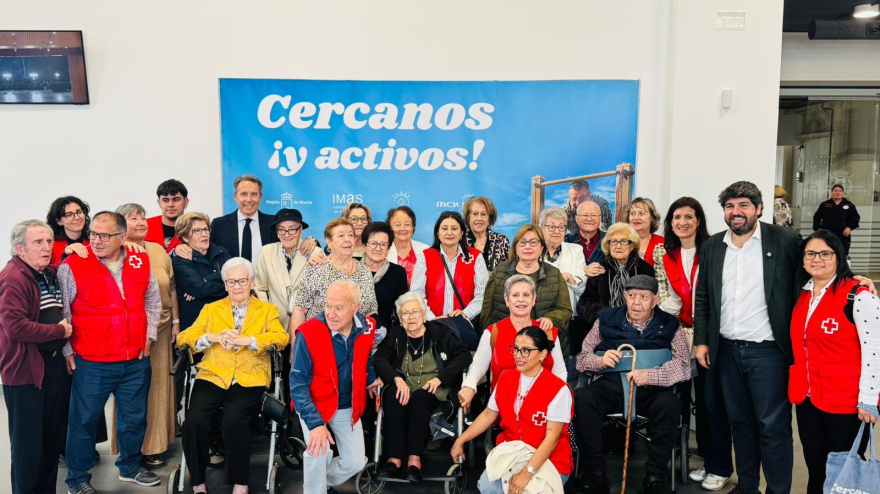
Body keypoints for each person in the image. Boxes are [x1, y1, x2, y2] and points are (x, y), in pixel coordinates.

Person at [692, 181, 804, 494]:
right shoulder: (713, 245)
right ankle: (748, 486)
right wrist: (702, 340)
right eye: (730, 206)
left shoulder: (785, 240)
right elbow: (703, 297)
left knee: (773, 427)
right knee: (739, 424)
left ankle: (778, 490)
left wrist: (852, 279)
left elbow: (817, 267)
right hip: (726, 351)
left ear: (759, 208)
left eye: (743, 205)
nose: (736, 212)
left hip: (769, 353)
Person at [58, 211, 162, 493]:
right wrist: (67, 349)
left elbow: (153, 300)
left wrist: (150, 335)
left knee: (134, 418)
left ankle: (130, 466)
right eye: (93, 234)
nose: (96, 240)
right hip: (93, 362)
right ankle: (77, 479)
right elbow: (64, 311)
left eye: (104, 235)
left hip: (135, 360)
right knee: (84, 422)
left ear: (122, 236)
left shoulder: (140, 261)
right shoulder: (73, 265)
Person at [177, 257, 289, 494]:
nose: (237, 286)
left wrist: (247, 340)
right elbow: (184, 337)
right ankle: (198, 483)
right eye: (231, 282)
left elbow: (281, 338)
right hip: (213, 375)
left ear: (251, 282)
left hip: (250, 377)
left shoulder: (267, 310)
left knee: (234, 420)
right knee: (193, 422)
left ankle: (240, 483)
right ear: (225, 284)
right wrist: (212, 337)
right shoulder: (211, 309)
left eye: (242, 281)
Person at [574, 275, 690, 494]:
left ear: (655, 300)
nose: (637, 303)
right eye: (631, 296)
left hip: (652, 389)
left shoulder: (670, 324)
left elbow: (684, 366)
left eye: (644, 297)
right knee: (584, 398)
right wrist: (599, 361)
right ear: (624, 296)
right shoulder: (605, 319)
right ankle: (594, 473)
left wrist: (651, 376)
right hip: (612, 385)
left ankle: (655, 477)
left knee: (670, 404)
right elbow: (582, 359)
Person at [789, 229, 880, 494]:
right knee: (816, 467)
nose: (817, 259)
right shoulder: (802, 294)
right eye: (810, 254)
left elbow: (875, 350)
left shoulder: (859, 296)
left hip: (846, 403)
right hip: (809, 399)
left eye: (825, 253)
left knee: (843, 474)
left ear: (838, 256)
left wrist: (869, 400)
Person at [657, 197, 733, 491]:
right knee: (679, 398)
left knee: (710, 402)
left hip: (708, 336)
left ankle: (719, 464)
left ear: (698, 220)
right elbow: (668, 295)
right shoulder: (665, 252)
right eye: (677, 217)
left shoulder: (713, 249)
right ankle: (705, 462)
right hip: (679, 333)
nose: (682, 222)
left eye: (689, 217)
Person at [451, 326, 573, 494]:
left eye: (525, 351)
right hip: (512, 453)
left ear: (543, 354)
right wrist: (460, 440)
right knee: (487, 487)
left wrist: (526, 473)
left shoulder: (559, 389)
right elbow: (488, 415)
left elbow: (551, 439)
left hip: (550, 460)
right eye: (515, 349)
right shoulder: (506, 377)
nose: (518, 356)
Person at [0, 220, 73, 494]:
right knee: (28, 448)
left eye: (49, 241)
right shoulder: (13, 278)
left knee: (50, 443)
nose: (46, 247)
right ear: (20, 248)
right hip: (26, 374)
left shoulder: (46, 273)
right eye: (38, 242)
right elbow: (15, 326)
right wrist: (59, 330)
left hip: (52, 368)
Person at [290, 280, 382, 494]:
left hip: (347, 404)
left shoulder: (367, 327)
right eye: (327, 306)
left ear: (356, 308)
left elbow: (365, 356)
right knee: (318, 452)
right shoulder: (308, 333)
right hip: (315, 403)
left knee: (356, 462)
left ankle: (319, 480)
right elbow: (298, 384)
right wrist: (315, 424)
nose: (331, 314)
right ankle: (315, 489)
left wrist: (371, 378)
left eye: (338, 308)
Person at [372, 292, 472, 480]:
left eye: (415, 312)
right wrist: (395, 378)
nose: (411, 317)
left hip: (434, 388)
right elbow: (379, 358)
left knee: (419, 398)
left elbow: (464, 356)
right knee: (394, 394)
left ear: (424, 314)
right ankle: (394, 459)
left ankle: (414, 460)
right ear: (400, 319)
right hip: (404, 385)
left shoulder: (439, 332)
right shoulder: (396, 334)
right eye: (405, 313)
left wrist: (440, 378)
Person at [113, 203, 179, 468]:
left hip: (162, 330)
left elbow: (172, 286)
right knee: (133, 391)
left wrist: (175, 321)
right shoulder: (116, 252)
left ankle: (156, 445)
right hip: (133, 331)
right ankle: (132, 448)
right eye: (133, 218)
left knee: (160, 389)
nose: (141, 222)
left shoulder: (157, 249)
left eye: (142, 217)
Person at [458, 274, 567, 413]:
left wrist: (558, 398)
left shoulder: (547, 332)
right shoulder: (493, 333)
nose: (521, 299)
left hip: (543, 407)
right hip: (503, 409)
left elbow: (559, 371)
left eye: (526, 295)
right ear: (507, 300)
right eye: (515, 295)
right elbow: (478, 366)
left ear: (533, 300)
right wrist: (469, 386)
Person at [575, 222, 654, 353]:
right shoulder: (599, 269)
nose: (618, 246)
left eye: (623, 241)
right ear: (608, 245)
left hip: (639, 332)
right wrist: (608, 317)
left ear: (632, 245)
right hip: (605, 333)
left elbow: (652, 303)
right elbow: (584, 305)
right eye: (613, 242)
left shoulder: (645, 270)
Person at [482, 225, 573, 338]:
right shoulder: (500, 271)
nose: (528, 246)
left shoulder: (554, 274)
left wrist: (551, 319)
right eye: (522, 242)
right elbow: (487, 310)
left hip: (543, 342)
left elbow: (565, 310)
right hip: (505, 341)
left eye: (534, 242)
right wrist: (490, 338)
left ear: (542, 247)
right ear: (515, 247)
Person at [292, 218, 378, 332]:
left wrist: (372, 336)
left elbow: (371, 310)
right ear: (329, 241)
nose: (347, 239)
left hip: (356, 342)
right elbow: (299, 310)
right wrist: (296, 347)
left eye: (351, 235)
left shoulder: (365, 271)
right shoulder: (316, 267)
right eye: (341, 236)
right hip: (319, 340)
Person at [411, 211, 489, 322]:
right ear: (437, 233)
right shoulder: (426, 256)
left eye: (454, 228)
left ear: (461, 233)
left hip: (464, 326)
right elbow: (416, 293)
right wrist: (431, 318)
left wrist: (465, 314)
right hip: (433, 326)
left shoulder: (475, 257)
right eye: (444, 228)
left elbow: (482, 295)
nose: (449, 233)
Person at [254, 208, 323, 333]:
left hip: (305, 325)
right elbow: (260, 288)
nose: (286, 234)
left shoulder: (315, 253)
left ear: (300, 230)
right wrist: (268, 315)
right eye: (281, 229)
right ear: (276, 232)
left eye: (292, 229)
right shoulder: (266, 252)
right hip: (275, 324)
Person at [172, 212, 232, 331]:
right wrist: (221, 280)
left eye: (206, 229)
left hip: (225, 320)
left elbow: (235, 281)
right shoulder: (180, 261)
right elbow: (202, 289)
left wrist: (207, 279)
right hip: (196, 323)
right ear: (185, 237)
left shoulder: (222, 253)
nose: (204, 234)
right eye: (197, 231)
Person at [360, 221, 408, 331]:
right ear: (364, 246)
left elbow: (401, 308)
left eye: (383, 244)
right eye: (373, 243)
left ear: (388, 249)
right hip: (352, 333)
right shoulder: (352, 267)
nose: (378, 249)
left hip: (385, 336)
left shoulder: (398, 272)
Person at [628, 198, 670, 303]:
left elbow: (667, 282)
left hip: (657, 302)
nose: (636, 217)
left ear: (652, 217)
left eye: (641, 213)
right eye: (632, 213)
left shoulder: (663, 244)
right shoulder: (622, 244)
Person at [463, 196, 510, 271]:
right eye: (475, 214)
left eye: (483, 214)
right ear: (468, 217)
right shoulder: (460, 240)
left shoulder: (501, 240)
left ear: (489, 218)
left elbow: (508, 271)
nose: (479, 219)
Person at [386, 206, 429, 286]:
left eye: (407, 224)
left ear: (413, 228)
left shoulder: (426, 250)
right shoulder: (383, 251)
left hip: (420, 297)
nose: (403, 228)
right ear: (390, 228)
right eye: (398, 225)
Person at [812, 183, 860, 256]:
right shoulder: (825, 205)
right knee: (826, 255)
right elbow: (817, 217)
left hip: (843, 236)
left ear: (843, 193)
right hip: (827, 235)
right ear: (832, 193)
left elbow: (855, 218)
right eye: (835, 190)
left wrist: (849, 228)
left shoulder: (849, 205)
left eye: (840, 191)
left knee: (842, 256)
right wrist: (818, 229)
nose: (837, 192)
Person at [145, 179, 189, 252]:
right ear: (159, 203)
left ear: (186, 202)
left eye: (176, 199)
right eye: (165, 200)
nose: (171, 205)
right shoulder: (144, 226)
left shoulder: (196, 228)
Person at [46, 196, 90, 266]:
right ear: (59, 221)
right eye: (69, 215)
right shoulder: (50, 245)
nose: (77, 217)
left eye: (79, 212)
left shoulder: (94, 240)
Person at [564, 201, 605, 267]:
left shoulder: (609, 241)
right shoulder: (567, 242)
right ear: (576, 219)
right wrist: (584, 270)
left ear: (600, 219)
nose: (589, 219)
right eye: (585, 215)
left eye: (594, 215)